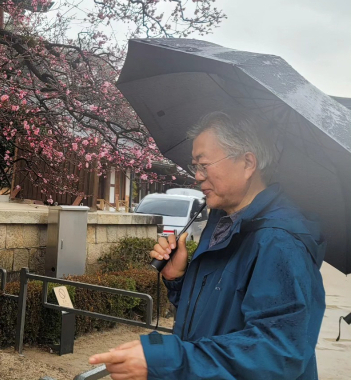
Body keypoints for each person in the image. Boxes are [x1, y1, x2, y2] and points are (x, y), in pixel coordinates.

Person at [89, 111, 326, 380]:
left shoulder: (278, 241)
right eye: (194, 167)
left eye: (204, 164)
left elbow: (278, 353)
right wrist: (178, 279)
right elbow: (214, 315)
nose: (198, 177)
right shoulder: (224, 223)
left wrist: (168, 360)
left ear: (248, 163)